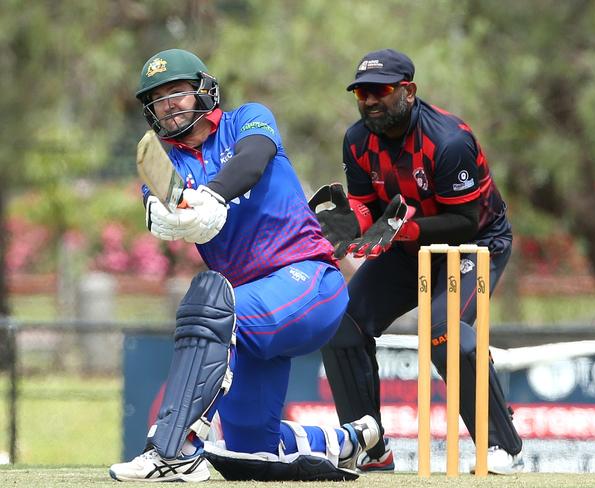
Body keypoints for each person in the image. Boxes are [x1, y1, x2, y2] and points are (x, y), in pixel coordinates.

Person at [108, 48, 380, 483]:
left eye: (177, 91)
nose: (169, 104)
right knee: (250, 447)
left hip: (308, 281)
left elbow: (253, 159)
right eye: (158, 99)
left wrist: (213, 195)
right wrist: (164, 215)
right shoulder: (164, 162)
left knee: (208, 302)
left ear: (203, 90)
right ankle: (351, 440)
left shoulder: (247, 119)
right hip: (245, 320)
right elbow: (159, 200)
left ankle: (171, 446)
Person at [312, 49, 524, 474]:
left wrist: (405, 231)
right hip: (409, 246)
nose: (370, 100)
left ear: (408, 91)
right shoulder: (357, 140)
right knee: (340, 322)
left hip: (476, 244)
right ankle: (370, 447)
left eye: (381, 90)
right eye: (361, 94)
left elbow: (465, 221)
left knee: (442, 330)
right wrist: (349, 223)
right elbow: (367, 205)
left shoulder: (448, 140)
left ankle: (503, 445)